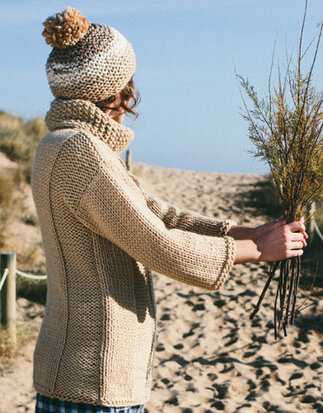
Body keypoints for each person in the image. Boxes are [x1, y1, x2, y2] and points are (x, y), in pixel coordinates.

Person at [31, 7, 308, 413]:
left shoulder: (59, 145)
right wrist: (259, 251)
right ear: (113, 90)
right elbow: (160, 244)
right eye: (128, 81)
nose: (133, 93)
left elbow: (159, 215)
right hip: (96, 381)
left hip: (77, 371)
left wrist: (248, 232)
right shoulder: (80, 153)